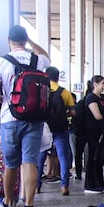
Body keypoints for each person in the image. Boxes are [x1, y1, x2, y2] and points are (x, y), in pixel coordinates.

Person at [0, 24, 50, 207]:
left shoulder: (0, 62)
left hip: (10, 119)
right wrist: (31, 42)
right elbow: (45, 54)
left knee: (11, 164)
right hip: (34, 118)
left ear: (8, 41)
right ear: (25, 40)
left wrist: (3, 101)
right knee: (29, 161)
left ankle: (8, 203)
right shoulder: (37, 60)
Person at [37, 67, 74, 196]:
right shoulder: (64, 92)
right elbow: (73, 111)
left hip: (44, 128)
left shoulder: (40, 91)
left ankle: (37, 186)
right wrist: (64, 113)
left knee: (41, 157)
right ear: (58, 77)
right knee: (63, 157)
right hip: (60, 128)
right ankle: (64, 186)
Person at [82, 75, 104, 194]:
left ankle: (99, 184)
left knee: (99, 158)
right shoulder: (91, 98)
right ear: (95, 84)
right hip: (93, 133)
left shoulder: (102, 97)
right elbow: (97, 115)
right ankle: (90, 185)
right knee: (93, 157)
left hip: (102, 132)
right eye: (102, 83)